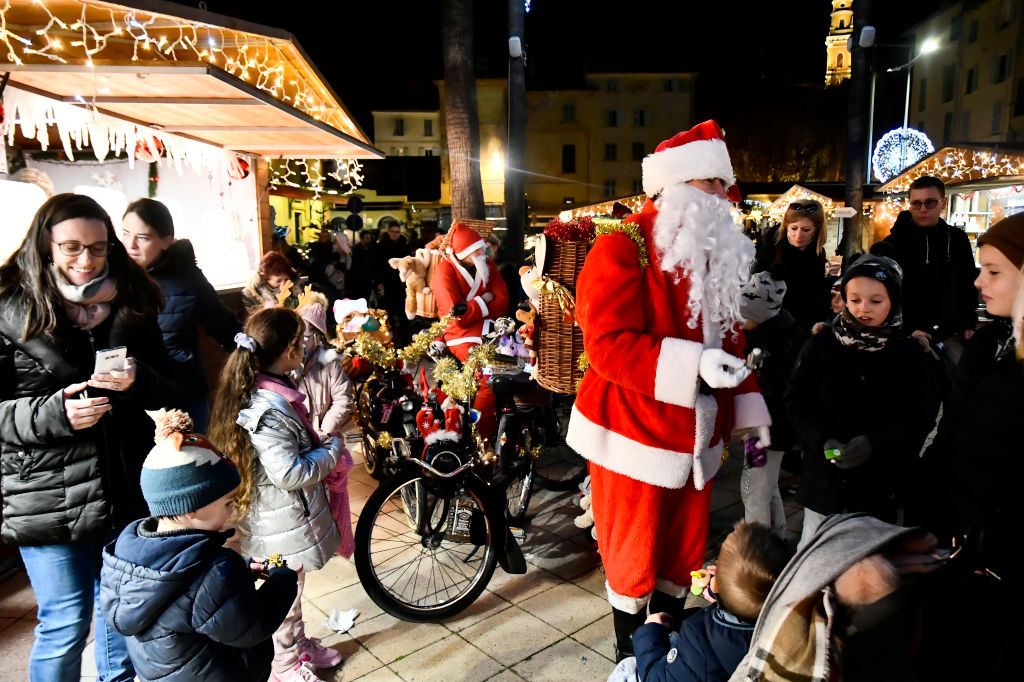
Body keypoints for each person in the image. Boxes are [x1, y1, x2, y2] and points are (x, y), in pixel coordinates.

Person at [565, 120, 771, 660]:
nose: (725, 199)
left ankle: (667, 648)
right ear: (678, 185)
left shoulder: (711, 255)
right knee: (633, 553)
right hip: (632, 429)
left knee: (682, 553)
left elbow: (729, 336)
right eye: (714, 186)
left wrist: (749, 412)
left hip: (698, 435)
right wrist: (695, 364)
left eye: (725, 187)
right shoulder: (621, 244)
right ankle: (631, 657)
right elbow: (607, 345)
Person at [0, 193, 176, 682]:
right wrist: (56, 414)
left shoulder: (132, 301)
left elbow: (170, 383)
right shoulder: (9, 310)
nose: (85, 260)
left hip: (123, 484)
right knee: (64, 621)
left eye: (97, 248)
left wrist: (138, 378)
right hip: (45, 495)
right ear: (45, 246)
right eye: (72, 247)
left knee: (119, 611)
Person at [99, 410, 298, 682]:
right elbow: (252, 625)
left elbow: (192, 597)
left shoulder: (128, 554)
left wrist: (241, 572)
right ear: (192, 508)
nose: (232, 511)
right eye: (228, 502)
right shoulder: (213, 569)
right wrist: (283, 578)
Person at [209, 307, 342, 682]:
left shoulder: (267, 390)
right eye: (300, 341)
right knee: (285, 595)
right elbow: (288, 472)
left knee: (292, 588)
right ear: (289, 350)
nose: (305, 346)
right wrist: (331, 449)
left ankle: (297, 647)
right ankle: (285, 665)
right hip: (277, 519)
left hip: (279, 516)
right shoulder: (267, 410)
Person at [786, 254, 939, 549]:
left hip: (881, 484)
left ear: (893, 300)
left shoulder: (909, 354)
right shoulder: (821, 344)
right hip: (825, 477)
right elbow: (797, 401)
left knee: (871, 564)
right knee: (814, 557)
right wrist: (822, 441)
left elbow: (920, 415)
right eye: (854, 300)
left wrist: (876, 443)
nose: (863, 309)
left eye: (875, 301)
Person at [121, 198, 241, 433]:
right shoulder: (112, 278)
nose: (131, 244)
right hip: (131, 395)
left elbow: (223, 325)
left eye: (143, 237)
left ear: (165, 241)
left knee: (193, 463)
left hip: (183, 392)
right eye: (125, 233)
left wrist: (258, 353)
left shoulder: (187, 277)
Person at [631, 522, 791, 682]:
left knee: (626, 670)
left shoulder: (699, 640)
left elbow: (657, 679)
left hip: (693, 667)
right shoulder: (789, 625)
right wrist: (724, 593)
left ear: (716, 586)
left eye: (718, 562)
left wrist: (651, 632)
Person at [737, 269, 806, 539]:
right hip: (765, 430)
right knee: (765, 487)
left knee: (753, 490)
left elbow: (784, 395)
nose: (739, 320)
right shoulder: (773, 334)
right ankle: (777, 536)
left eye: (744, 314)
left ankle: (758, 552)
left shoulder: (777, 347)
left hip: (766, 432)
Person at [432, 221, 510, 443]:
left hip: (491, 331)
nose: (482, 253)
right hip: (461, 336)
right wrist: (483, 302)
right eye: (475, 250)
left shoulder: (487, 265)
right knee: (488, 375)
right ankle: (480, 434)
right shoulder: (444, 271)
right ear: (462, 252)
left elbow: (502, 300)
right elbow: (457, 317)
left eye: (481, 248)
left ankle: (512, 424)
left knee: (517, 366)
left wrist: (472, 306)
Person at [881, 176, 978, 344]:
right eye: (916, 203)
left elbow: (967, 283)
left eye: (930, 202)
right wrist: (904, 329)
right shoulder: (892, 244)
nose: (923, 209)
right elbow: (882, 293)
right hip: (906, 337)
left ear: (943, 203)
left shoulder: (957, 239)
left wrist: (968, 322)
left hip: (952, 333)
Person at [294, 296, 355, 559]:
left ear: (318, 337)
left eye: (309, 335)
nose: (303, 341)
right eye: (300, 335)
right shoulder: (289, 367)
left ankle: (332, 537)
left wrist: (325, 428)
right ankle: (308, 541)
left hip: (324, 437)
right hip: (298, 440)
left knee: (331, 489)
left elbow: (343, 398)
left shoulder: (329, 365)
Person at [753, 200, 829, 332]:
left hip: (806, 326)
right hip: (774, 327)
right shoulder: (771, 250)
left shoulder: (819, 252)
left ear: (816, 230)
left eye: (806, 230)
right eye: (794, 228)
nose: (798, 235)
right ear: (786, 226)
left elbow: (817, 293)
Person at [377, 222, 412, 344]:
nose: (395, 234)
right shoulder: (381, 247)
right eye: (393, 231)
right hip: (387, 286)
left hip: (402, 285)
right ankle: (388, 342)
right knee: (387, 316)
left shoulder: (405, 246)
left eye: (397, 232)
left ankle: (405, 343)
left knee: (404, 316)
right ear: (388, 232)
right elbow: (377, 266)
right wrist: (378, 283)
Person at [241, 251, 299, 317]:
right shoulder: (250, 295)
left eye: (286, 279)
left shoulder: (294, 286)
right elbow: (251, 323)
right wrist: (266, 311)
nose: (283, 285)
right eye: (278, 281)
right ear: (265, 278)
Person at [346, 230, 377, 302]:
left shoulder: (373, 251)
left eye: (370, 238)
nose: (369, 240)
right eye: (367, 238)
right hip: (356, 282)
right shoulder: (355, 251)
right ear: (361, 239)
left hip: (367, 282)